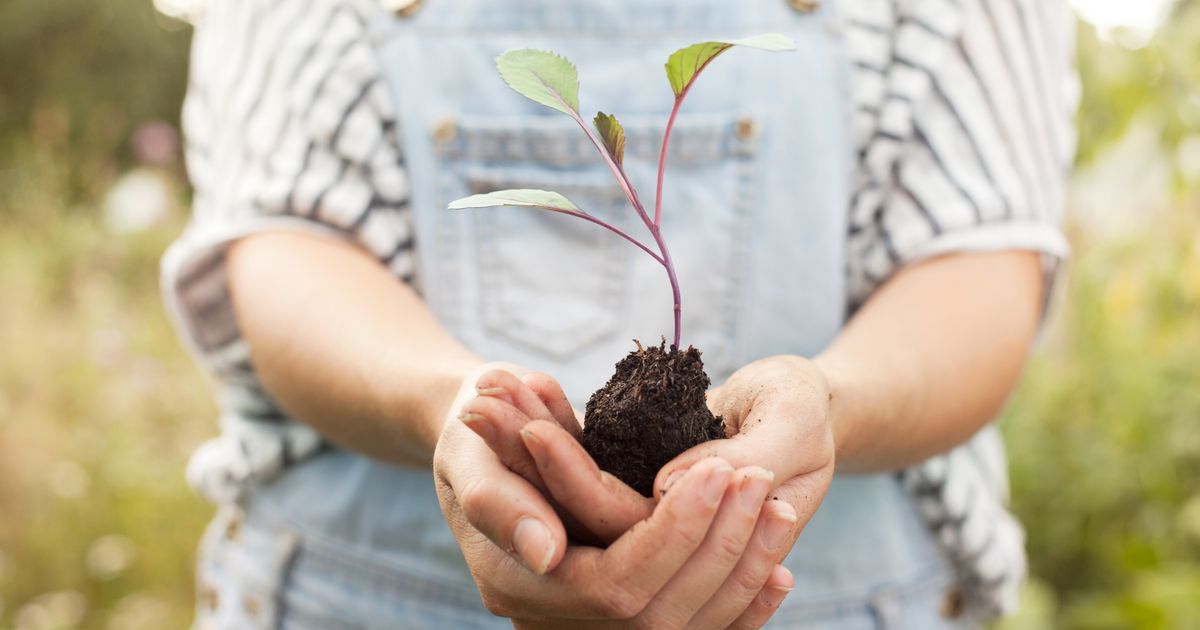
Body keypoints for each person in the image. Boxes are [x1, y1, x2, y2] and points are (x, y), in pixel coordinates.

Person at [164, 0, 1078, 627]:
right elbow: (289, 247)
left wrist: (827, 404)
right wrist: (450, 404)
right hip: (361, 598)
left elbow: (976, 267)